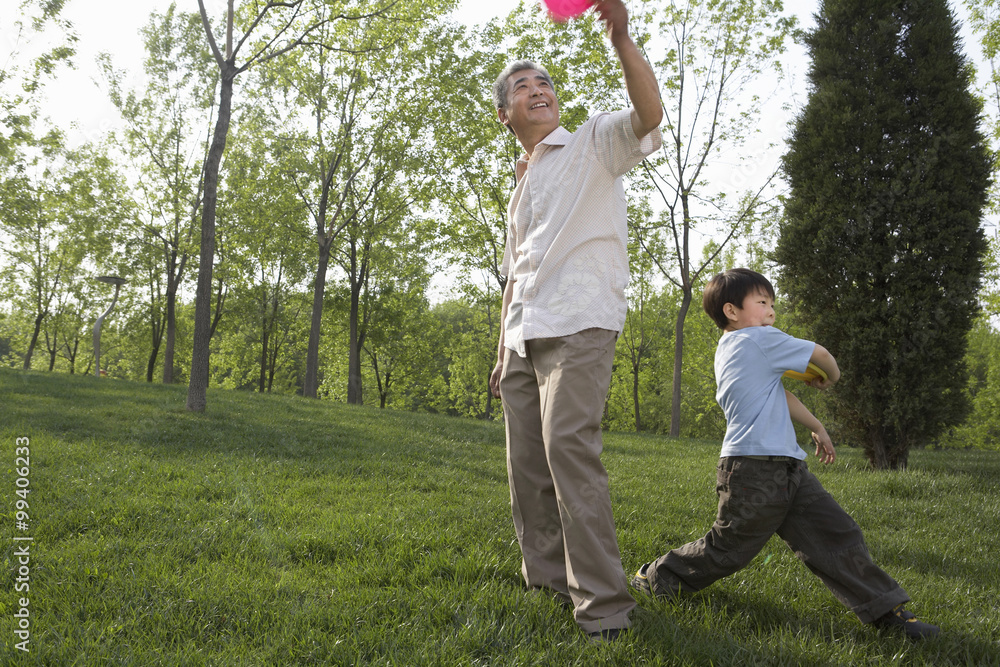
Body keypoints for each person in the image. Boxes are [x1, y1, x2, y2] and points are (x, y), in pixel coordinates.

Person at [632, 268, 940, 640]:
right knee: (730, 547)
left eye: (772, 303)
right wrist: (832, 377)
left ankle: (887, 615)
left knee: (835, 533)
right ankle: (656, 578)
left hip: (786, 467)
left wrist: (817, 425)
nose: (771, 311)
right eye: (762, 302)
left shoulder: (733, 347)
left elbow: (778, 392)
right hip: (755, 470)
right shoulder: (757, 339)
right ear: (731, 311)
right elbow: (822, 355)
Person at [486, 0, 662, 642]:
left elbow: (650, 115)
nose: (538, 90)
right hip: (523, 336)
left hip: (581, 322)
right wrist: (502, 347)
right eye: (522, 87)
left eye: (545, 84)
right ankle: (546, 582)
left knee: (569, 451)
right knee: (527, 466)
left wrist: (622, 40)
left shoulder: (591, 141)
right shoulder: (522, 179)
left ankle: (605, 607)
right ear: (505, 113)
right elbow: (516, 272)